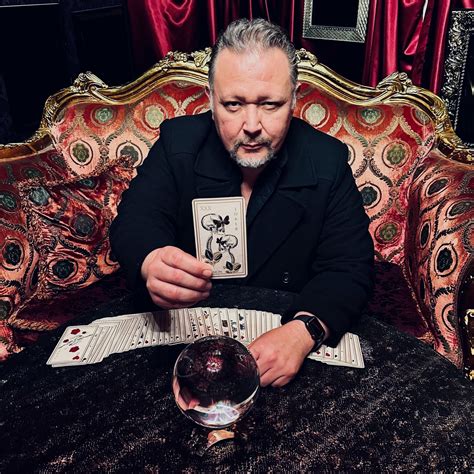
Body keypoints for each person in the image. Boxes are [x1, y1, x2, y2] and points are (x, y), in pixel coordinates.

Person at [110, 18, 374, 388]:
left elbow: (349, 267)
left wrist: (305, 330)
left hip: (282, 343)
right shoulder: (177, 143)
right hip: (188, 347)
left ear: (294, 99)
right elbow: (135, 220)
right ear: (210, 98)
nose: (251, 125)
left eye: (270, 104)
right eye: (233, 104)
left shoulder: (327, 160)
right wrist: (151, 260)